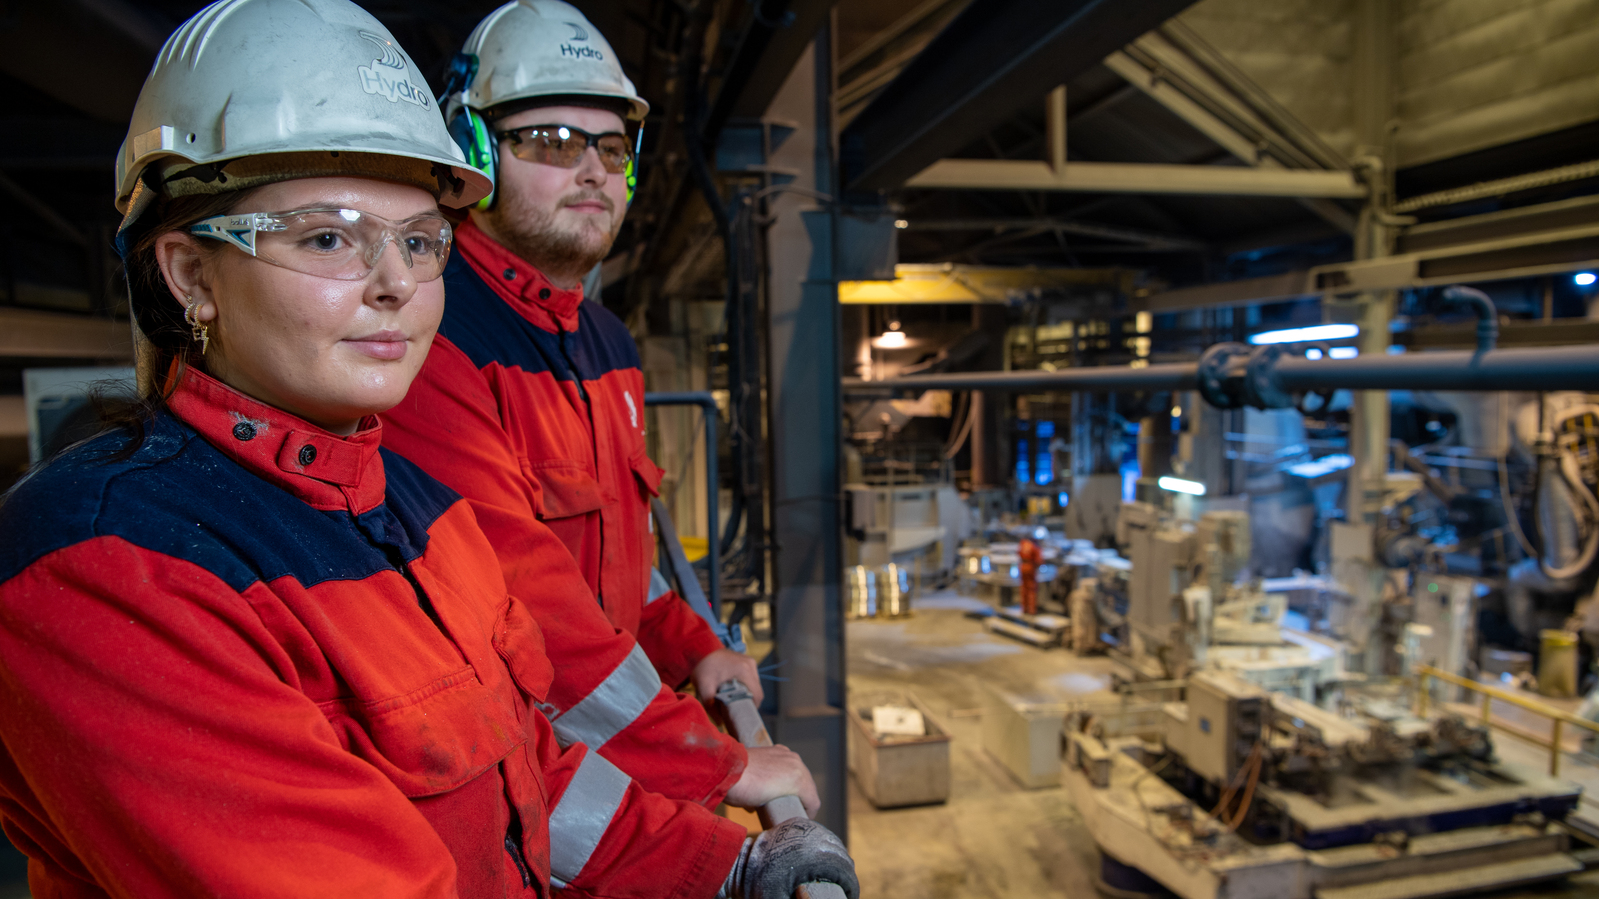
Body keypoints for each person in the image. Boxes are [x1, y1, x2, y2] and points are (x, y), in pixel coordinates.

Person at [0, 2, 856, 898]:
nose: (396, 282)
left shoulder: (418, 509)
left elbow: (525, 777)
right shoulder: (107, 568)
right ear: (189, 274)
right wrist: (708, 768)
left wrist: (722, 865)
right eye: (328, 236)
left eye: (418, 241)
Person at [379, 2, 846, 894]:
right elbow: (525, 594)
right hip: (518, 783)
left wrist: (696, 642)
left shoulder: (604, 340)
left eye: (611, 146)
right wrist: (713, 759)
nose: (593, 167)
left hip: (616, 765)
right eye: (552, 140)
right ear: (472, 152)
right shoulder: (427, 333)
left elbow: (626, 559)